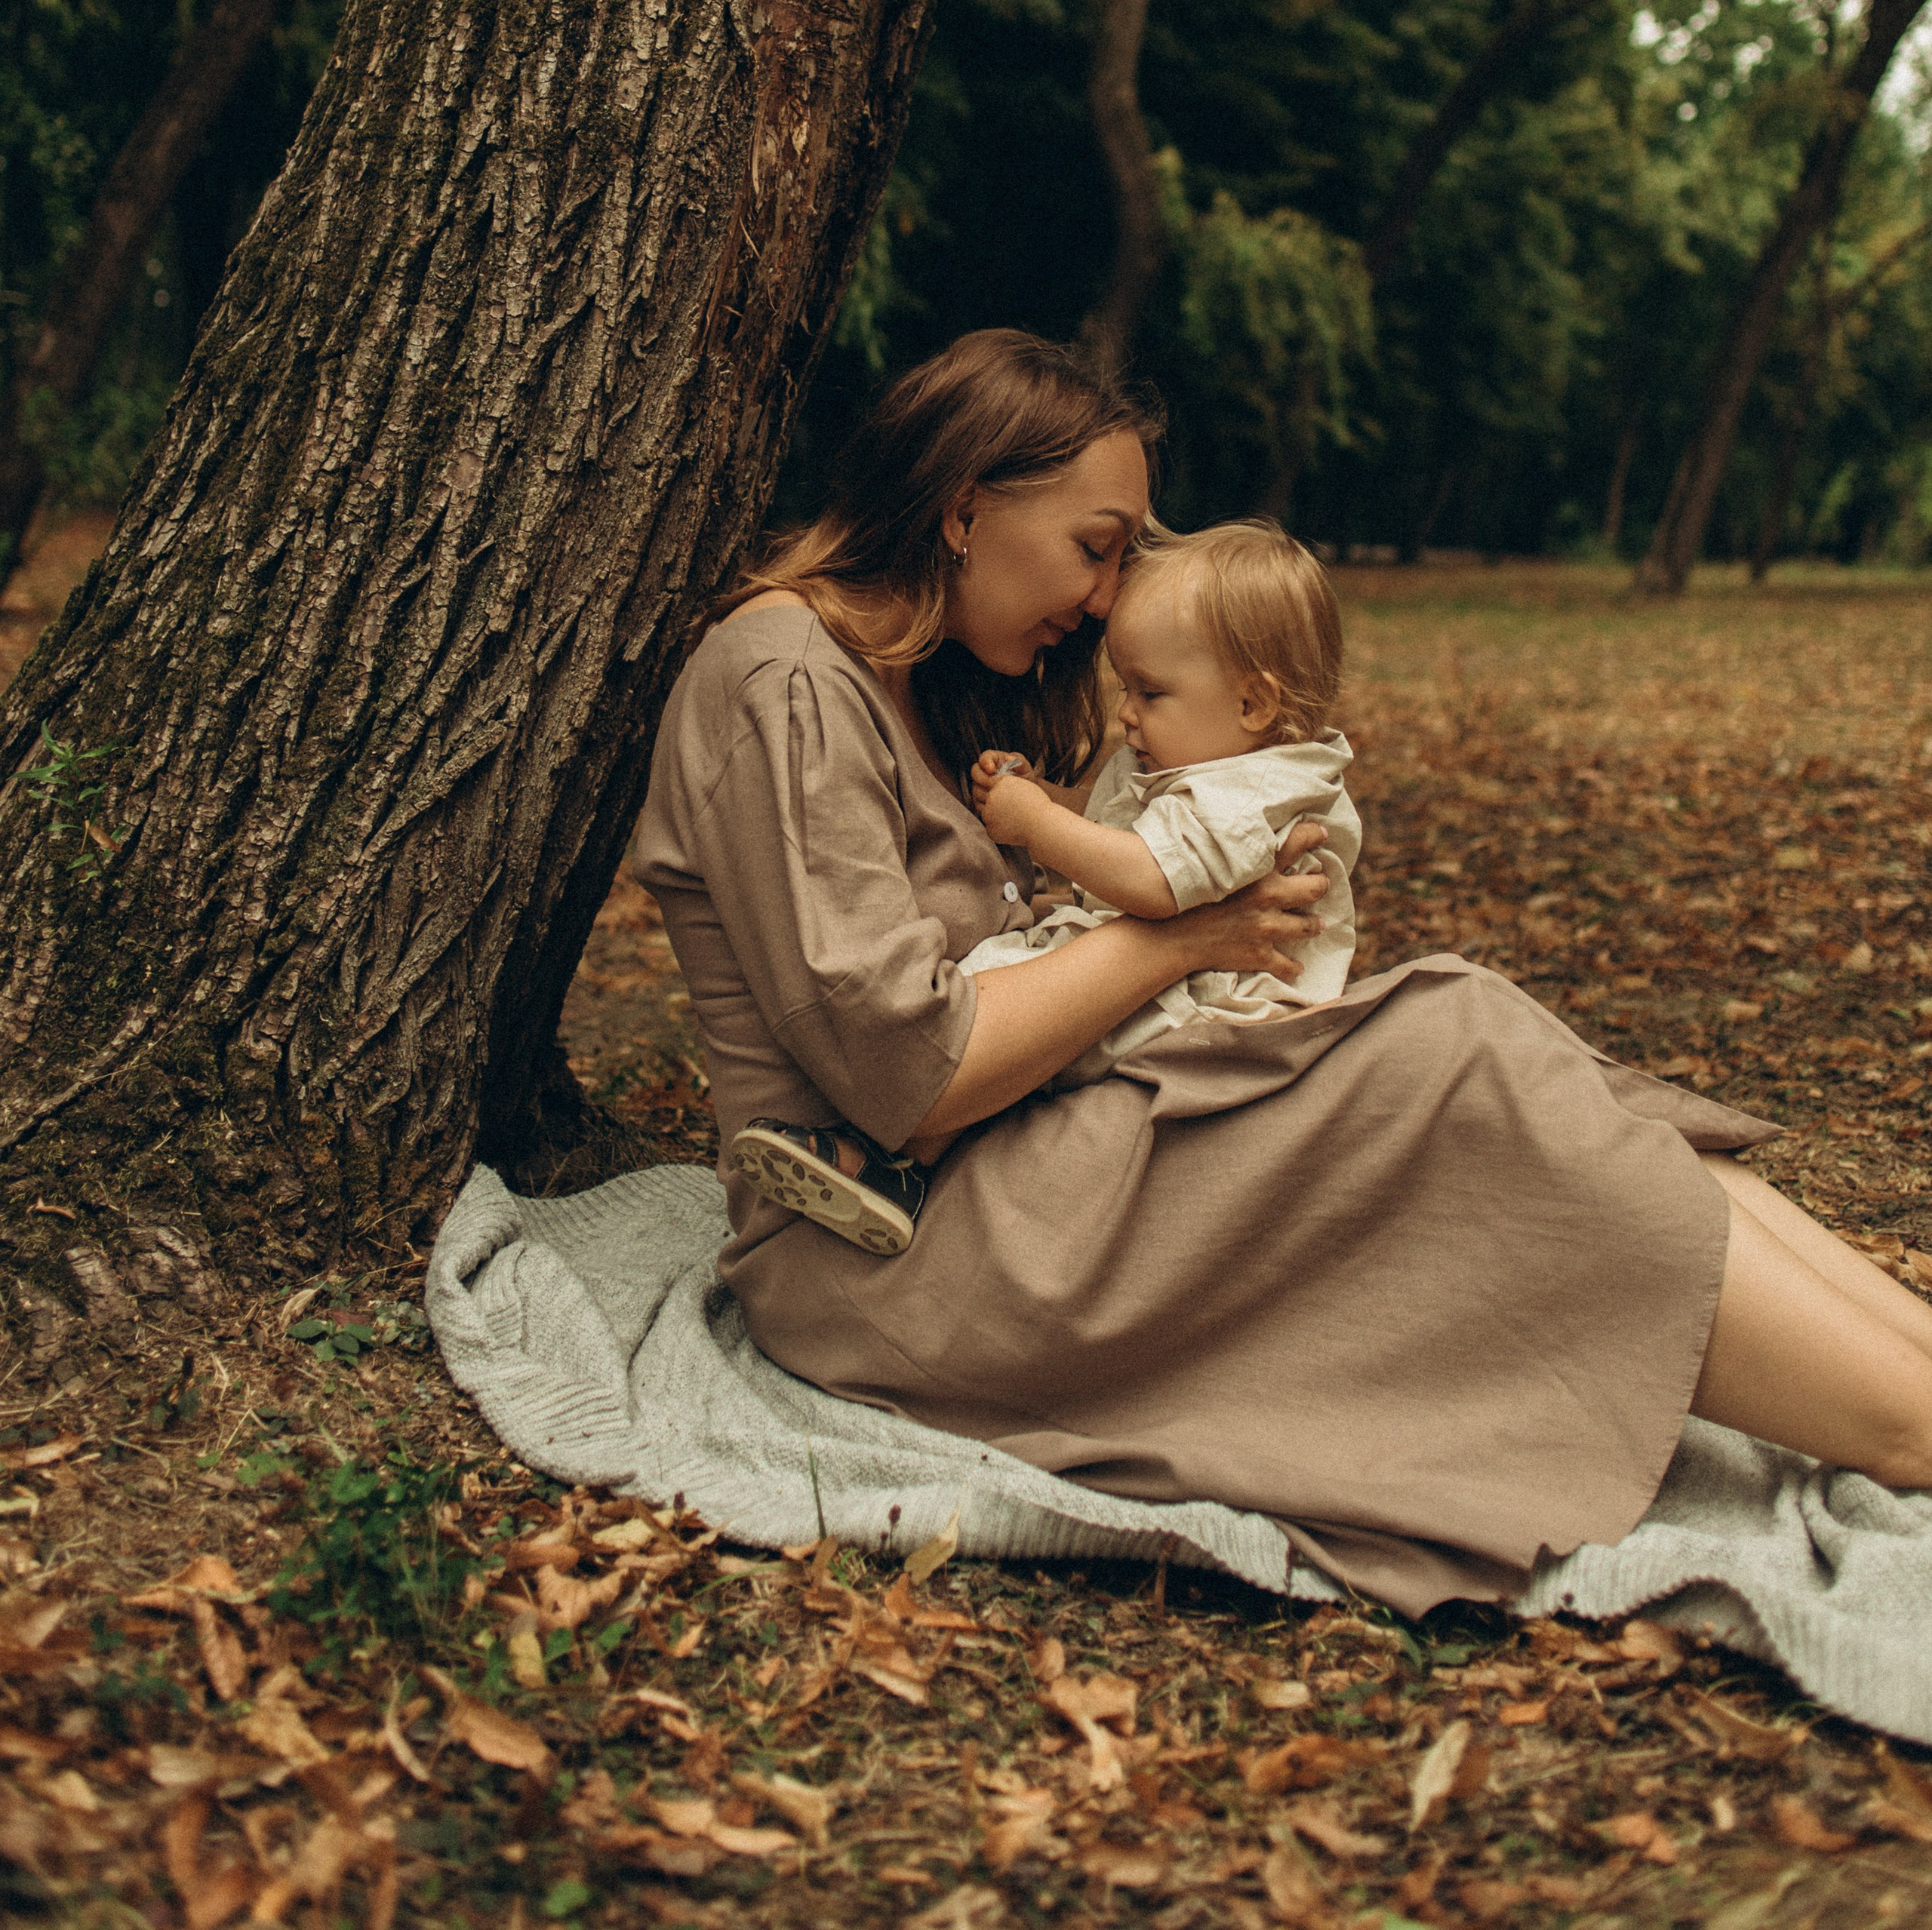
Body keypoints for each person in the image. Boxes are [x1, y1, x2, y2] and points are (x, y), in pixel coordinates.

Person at [630, 327, 1932, 1615]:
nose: (1101, 599)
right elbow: (912, 1074)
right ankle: (1906, 1431)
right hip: (894, 1249)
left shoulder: (927, 684)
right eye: (1096, 547)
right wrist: (1184, 939)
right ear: (966, 509)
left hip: (1029, 1168)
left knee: (1474, 1033)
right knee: (1446, 1057)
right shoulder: (781, 674)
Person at [731, 518, 1361, 1249]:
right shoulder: (1211, 756)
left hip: (1211, 1020)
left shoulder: (1254, 792)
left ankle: (885, 1160)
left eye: (1150, 692)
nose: (1125, 711)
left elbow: (1155, 882)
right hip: (1180, 986)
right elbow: (1134, 842)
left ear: (1253, 703)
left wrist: (1036, 824)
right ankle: (900, 1164)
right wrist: (1057, 803)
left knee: (994, 1004)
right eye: (1125, 685)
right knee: (1006, 999)